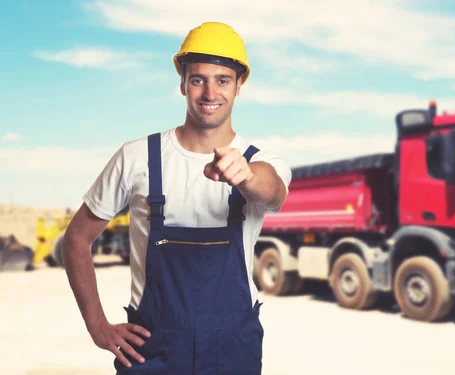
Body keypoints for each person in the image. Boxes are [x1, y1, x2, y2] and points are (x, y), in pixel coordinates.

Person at [62, 21, 292, 374]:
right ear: (182, 82)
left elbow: (272, 190)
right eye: (198, 79)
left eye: (223, 80)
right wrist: (97, 326)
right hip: (150, 349)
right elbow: (76, 239)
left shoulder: (260, 161)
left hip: (232, 349)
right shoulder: (136, 157)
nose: (210, 92)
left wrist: (245, 174)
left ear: (240, 84)